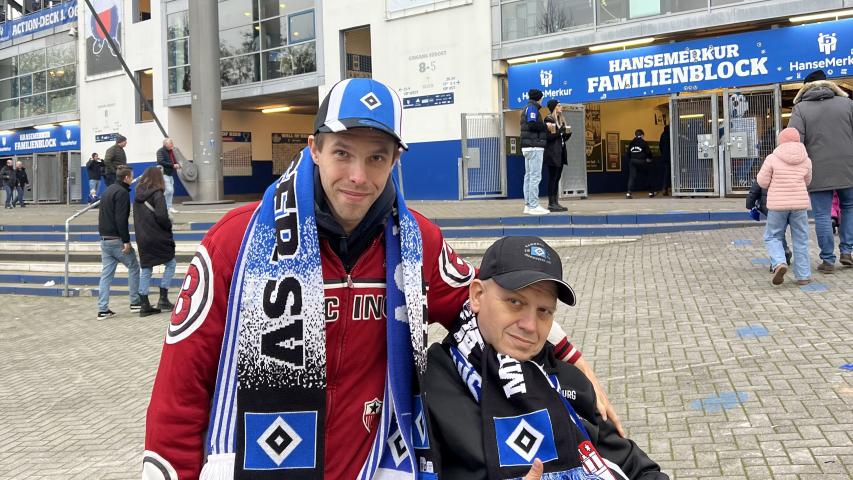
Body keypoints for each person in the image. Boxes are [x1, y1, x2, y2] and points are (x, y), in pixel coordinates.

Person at [142, 79, 619, 480]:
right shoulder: (237, 242)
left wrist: (573, 363)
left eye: (376, 158)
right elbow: (179, 397)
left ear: (395, 160)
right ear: (314, 149)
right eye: (342, 153)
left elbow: (492, 303)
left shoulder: (419, 244)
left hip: (376, 466)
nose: (358, 176)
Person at [424, 236, 669, 480]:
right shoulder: (430, 384)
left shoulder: (570, 380)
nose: (530, 326)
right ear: (477, 295)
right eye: (515, 302)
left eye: (544, 311)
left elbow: (640, 470)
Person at [788, 69, 853, 273]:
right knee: (849, 207)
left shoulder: (801, 109)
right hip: (848, 167)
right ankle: (847, 251)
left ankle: (827, 260)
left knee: (823, 215)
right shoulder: (847, 104)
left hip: (817, 169)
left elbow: (793, 140)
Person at [757, 128, 813, 286]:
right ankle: (803, 276)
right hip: (800, 205)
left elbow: (762, 181)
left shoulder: (772, 158)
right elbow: (808, 181)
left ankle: (779, 263)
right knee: (801, 239)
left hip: (778, 205)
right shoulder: (806, 159)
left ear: (780, 140)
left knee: (772, 236)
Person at [97, 165, 140, 319]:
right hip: (116, 239)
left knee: (106, 276)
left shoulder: (108, 190)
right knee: (134, 266)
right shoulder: (122, 193)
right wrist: (126, 241)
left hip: (104, 239)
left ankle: (102, 309)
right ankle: (135, 302)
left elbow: (102, 215)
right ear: (126, 178)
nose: (132, 179)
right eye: (132, 176)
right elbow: (121, 219)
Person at [133, 167, 177, 317]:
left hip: (142, 237)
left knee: (146, 268)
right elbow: (162, 217)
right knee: (171, 263)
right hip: (158, 236)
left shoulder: (138, 194)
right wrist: (168, 227)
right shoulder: (158, 194)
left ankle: (144, 304)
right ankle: (163, 298)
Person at [746, 179, 792, 268]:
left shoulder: (768, 165)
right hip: (792, 202)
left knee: (775, 234)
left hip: (772, 204)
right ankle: (785, 255)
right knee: (781, 233)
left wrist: (750, 204)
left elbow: (757, 184)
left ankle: (778, 261)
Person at [520, 88, 549, 215]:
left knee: (528, 176)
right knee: (535, 177)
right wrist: (546, 126)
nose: (542, 101)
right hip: (534, 146)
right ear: (539, 98)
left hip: (527, 147)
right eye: (542, 98)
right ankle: (533, 205)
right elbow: (532, 125)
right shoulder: (532, 108)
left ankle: (528, 205)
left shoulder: (526, 108)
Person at [544, 99, 572, 213]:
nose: (561, 107)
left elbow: (559, 138)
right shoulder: (549, 119)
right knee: (553, 178)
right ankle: (551, 203)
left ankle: (555, 202)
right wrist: (560, 131)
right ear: (554, 107)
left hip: (560, 152)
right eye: (559, 105)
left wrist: (566, 135)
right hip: (552, 153)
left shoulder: (560, 119)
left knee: (557, 178)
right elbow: (549, 137)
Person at [626, 129, 654, 199]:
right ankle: (650, 192)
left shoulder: (631, 143)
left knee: (632, 177)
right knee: (647, 176)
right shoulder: (644, 142)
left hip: (633, 161)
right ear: (642, 135)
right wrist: (649, 159)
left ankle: (629, 193)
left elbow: (628, 153)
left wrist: (631, 160)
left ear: (635, 135)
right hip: (642, 161)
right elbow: (648, 152)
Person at [156, 138, 182, 213]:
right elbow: (160, 161)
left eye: (172, 143)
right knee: (169, 190)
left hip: (170, 174)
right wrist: (173, 165)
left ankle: (169, 207)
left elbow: (174, 160)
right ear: (165, 144)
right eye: (170, 143)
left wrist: (178, 164)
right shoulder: (160, 151)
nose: (172, 145)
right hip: (163, 173)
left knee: (171, 191)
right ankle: (160, 203)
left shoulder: (171, 151)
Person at [658, 124, 671, 196]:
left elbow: (660, 145)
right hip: (672, 156)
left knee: (667, 173)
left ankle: (665, 188)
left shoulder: (663, 135)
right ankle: (679, 187)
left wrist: (663, 153)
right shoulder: (672, 134)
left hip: (665, 157)